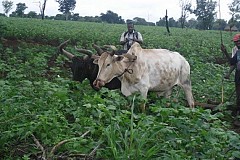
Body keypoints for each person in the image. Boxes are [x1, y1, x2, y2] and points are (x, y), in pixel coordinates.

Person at [221, 33, 240, 127]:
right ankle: (238, 116)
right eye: (236, 42)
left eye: (238, 42)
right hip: (238, 76)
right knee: (238, 97)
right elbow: (232, 62)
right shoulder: (238, 52)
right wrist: (225, 52)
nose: (237, 44)